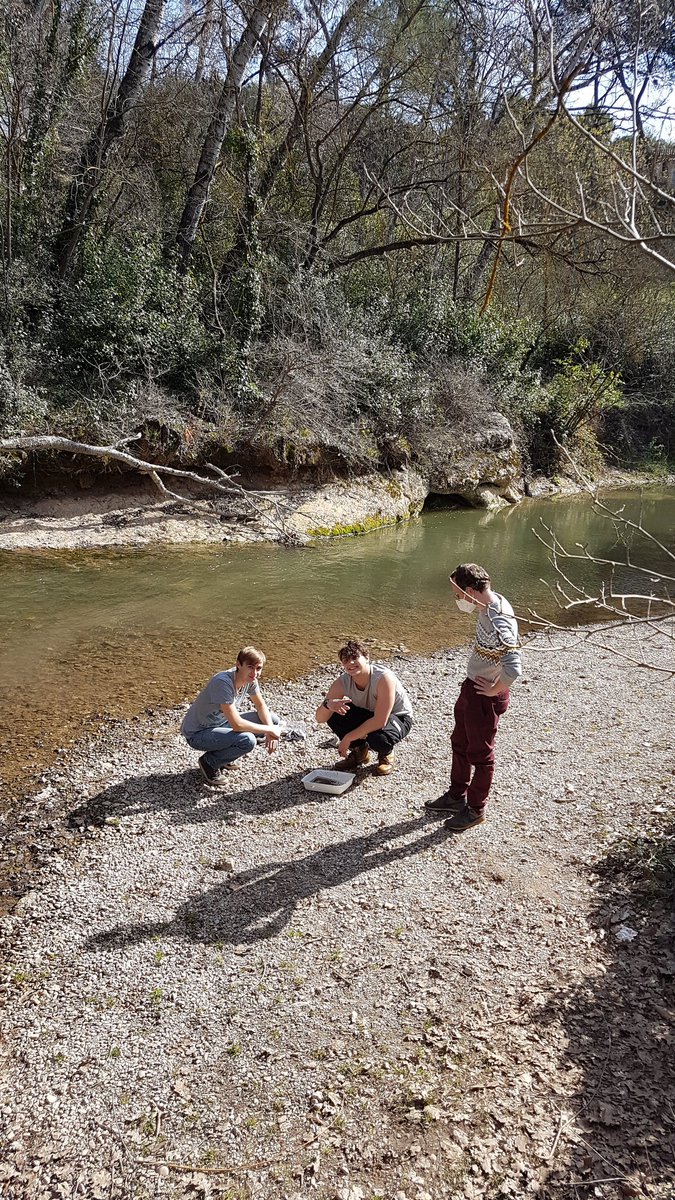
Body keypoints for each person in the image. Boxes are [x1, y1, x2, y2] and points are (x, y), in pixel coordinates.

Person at [425, 563, 521, 831]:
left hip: (485, 697)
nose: (456, 599)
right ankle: (456, 796)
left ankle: (476, 809)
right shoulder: (487, 605)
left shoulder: (499, 618)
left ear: (469, 590)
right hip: (472, 688)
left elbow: (514, 665)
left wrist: (495, 689)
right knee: (460, 742)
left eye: (457, 593)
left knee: (481, 754)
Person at [181, 646, 280, 784]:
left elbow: (261, 705)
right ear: (238, 665)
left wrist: (271, 730)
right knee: (247, 740)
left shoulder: (251, 680)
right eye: (250, 667)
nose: (255, 673)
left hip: (221, 724)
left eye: (258, 668)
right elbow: (237, 724)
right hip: (198, 733)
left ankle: (225, 757)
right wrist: (269, 730)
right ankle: (209, 762)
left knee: (272, 720)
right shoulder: (223, 682)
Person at [316, 639, 414, 776]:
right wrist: (328, 705)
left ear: (367, 657)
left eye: (355, 658)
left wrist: (348, 737)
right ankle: (360, 752)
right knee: (334, 714)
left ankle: (386, 754)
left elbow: (380, 721)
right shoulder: (343, 681)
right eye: (345, 660)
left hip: (397, 717)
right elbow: (320, 718)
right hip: (370, 714)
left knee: (378, 738)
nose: (350, 663)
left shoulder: (383, 678)